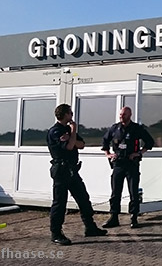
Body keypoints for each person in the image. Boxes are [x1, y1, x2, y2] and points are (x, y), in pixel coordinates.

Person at [46, 104, 107, 245]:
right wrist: (73, 132)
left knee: (83, 198)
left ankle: (90, 227)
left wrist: (71, 137)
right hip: (61, 171)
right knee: (60, 203)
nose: (72, 116)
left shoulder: (67, 130)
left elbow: (81, 144)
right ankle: (56, 233)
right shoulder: (55, 131)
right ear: (65, 114)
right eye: (70, 113)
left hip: (73, 171)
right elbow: (68, 147)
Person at [100, 106, 155, 229]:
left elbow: (150, 142)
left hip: (132, 164)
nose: (121, 117)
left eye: (124, 115)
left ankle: (134, 217)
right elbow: (104, 142)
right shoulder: (115, 128)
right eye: (120, 115)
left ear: (130, 115)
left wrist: (139, 153)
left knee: (133, 192)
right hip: (118, 164)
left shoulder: (137, 128)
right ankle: (114, 217)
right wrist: (108, 155)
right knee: (115, 192)